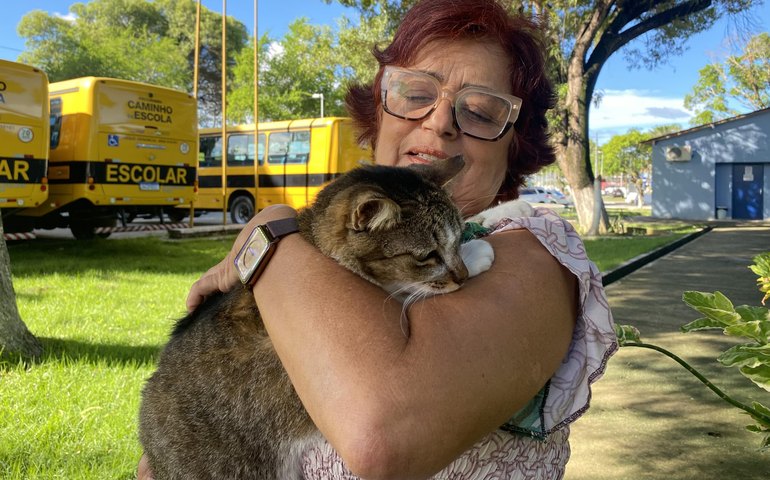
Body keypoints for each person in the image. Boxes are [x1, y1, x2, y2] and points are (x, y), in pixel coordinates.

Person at [138, 0, 617, 478]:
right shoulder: (336, 240)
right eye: (414, 93)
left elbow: (382, 439)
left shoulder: (539, 249)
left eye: (480, 110)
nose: (440, 121)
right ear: (379, 112)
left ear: (516, 142)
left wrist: (270, 231)